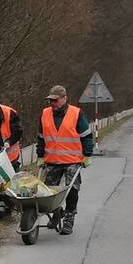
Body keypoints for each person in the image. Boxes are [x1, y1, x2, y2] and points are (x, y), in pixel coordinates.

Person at [37, 85, 93, 235]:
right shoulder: (45, 114)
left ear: (64, 99)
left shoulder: (76, 114)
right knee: (49, 192)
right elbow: (41, 137)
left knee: (71, 190)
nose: (52, 104)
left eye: (55, 100)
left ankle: (68, 219)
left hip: (72, 160)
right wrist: (40, 155)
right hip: (52, 160)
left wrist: (87, 155)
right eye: (50, 101)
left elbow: (86, 135)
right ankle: (56, 213)